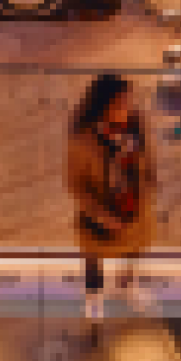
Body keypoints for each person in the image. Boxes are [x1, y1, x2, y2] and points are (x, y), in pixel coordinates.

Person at [66, 72, 154, 330]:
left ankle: (128, 285)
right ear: (104, 107)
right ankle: (93, 296)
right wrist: (98, 214)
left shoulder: (137, 126)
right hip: (100, 211)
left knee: (135, 247)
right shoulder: (83, 139)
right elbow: (75, 183)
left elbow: (149, 155)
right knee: (93, 256)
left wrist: (148, 185)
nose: (129, 108)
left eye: (129, 101)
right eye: (122, 103)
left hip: (134, 205)